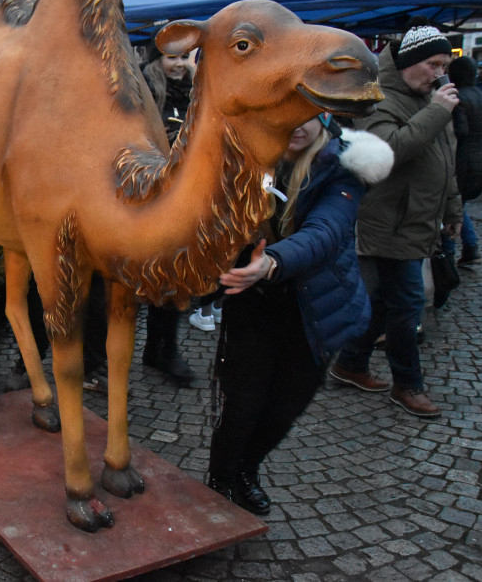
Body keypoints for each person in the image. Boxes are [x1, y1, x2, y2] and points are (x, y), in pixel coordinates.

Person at [208, 114, 392, 515]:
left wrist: (271, 262)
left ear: (325, 112)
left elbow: (325, 232)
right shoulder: (244, 157)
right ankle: (220, 478)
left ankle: (246, 470)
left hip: (315, 309)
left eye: (307, 111)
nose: (296, 122)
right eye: (286, 109)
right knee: (242, 406)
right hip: (253, 304)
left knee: (284, 410)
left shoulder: (345, 165)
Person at [330, 22, 461, 419]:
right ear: (408, 63)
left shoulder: (426, 98)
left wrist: (452, 210)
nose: (440, 71)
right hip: (388, 220)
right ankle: (408, 384)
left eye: (444, 63)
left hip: (417, 218)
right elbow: (389, 150)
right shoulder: (380, 99)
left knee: (385, 305)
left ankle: (350, 364)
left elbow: (443, 159)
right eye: (433, 63)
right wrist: (438, 111)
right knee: (406, 306)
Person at [139, 49, 197, 385]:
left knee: (178, 272)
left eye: (183, 57)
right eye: (171, 57)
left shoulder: (197, 89)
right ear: (157, 59)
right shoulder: (144, 87)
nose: (178, 64)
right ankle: (157, 347)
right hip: (152, 194)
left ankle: (164, 347)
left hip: (185, 194)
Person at [445, 56, 482, 266]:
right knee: (460, 205)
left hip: (462, 160)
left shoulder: (460, 98)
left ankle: (448, 256)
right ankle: (471, 248)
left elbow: (461, 131)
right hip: (479, 157)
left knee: (453, 205)